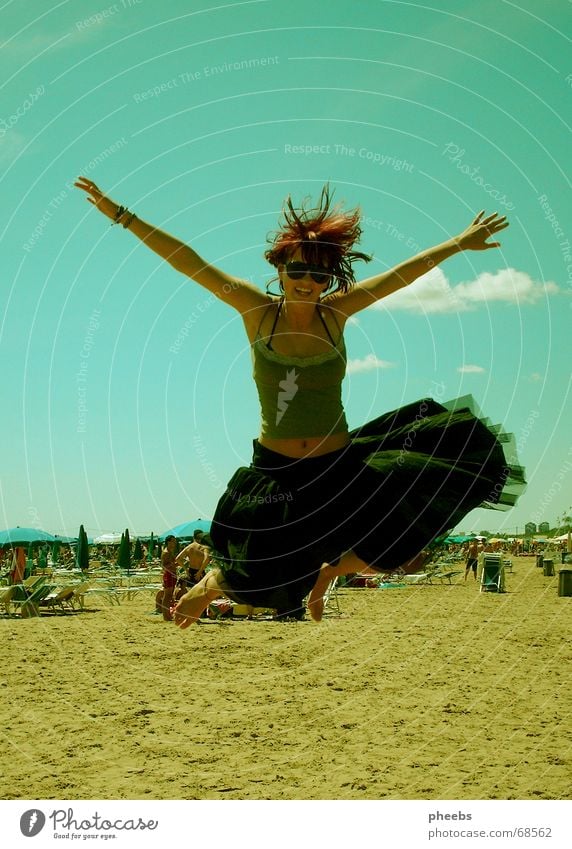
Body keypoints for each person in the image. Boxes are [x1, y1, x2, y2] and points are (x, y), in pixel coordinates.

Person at [74, 179, 526, 628]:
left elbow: (400, 276)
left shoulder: (337, 315)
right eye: (298, 271)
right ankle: (209, 585)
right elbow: (188, 262)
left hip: (339, 465)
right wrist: (123, 217)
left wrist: (458, 244)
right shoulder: (257, 313)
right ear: (280, 268)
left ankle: (331, 571)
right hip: (277, 468)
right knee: (264, 570)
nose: (308, 282)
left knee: (404, 529)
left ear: (329, 280)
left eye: (319, 275)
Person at [158, 534, 178, 621]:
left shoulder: (170, 551)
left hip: (172, 574)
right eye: (173, 541)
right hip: (168, 574)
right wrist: (173, 564)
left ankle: (167, 615)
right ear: (169, 542)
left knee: (170, 596)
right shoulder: (166, 552)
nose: (175, 543)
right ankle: (165, 616)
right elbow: (164, 566)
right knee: (167, 595)